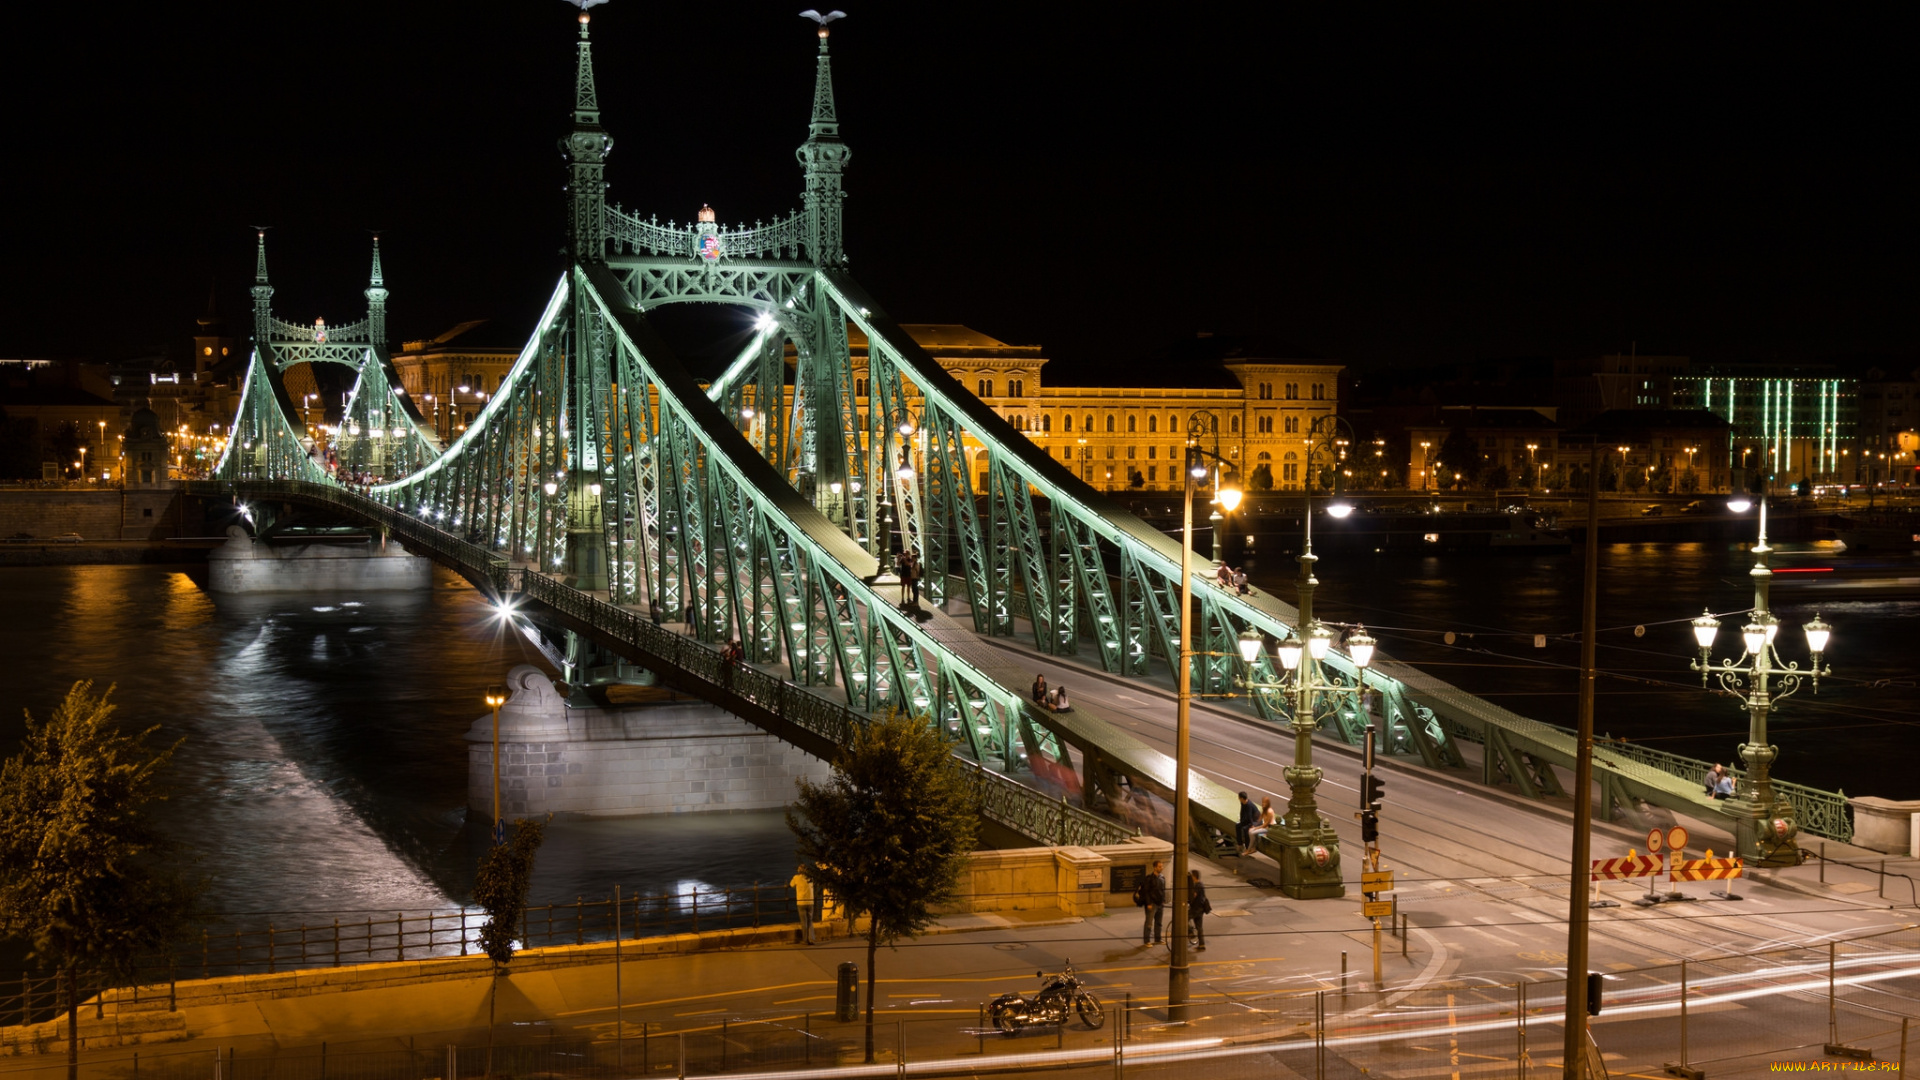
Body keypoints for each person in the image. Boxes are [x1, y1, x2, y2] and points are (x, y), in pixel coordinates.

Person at [1138, 860, 1167, 946]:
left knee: (1159, 922)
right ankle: (1147, 940)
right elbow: (1146, 892)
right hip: (1152, 903)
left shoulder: (1162, 878)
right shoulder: (1149, 878)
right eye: (1159, 866)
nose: (1161, 868)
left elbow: (1163, 890)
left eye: (1162, 866)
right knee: (1149, 922)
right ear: (1155, 867)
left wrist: (1163, 900)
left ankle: (1157, 939)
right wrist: (1149, 903)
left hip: (1160, 903)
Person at [790, 865, 817, 945]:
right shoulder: (811, 878)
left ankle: (805, 940)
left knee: (803, 922)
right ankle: (811, 939)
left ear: (799, 871)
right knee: (810, 921)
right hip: (810, 902)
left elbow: (791, 885)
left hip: (801, 902)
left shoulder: (796, 878)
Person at [1187, 869, 1211, 951]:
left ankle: (1190, 932)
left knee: (1183, 919)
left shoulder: (1197, 885)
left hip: (1195, 908)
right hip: (1200, 909)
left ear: (1194, 877)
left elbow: (1194, 895)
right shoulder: (1201, 884)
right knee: (1199, 927)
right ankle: (1202, 944)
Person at [1235, 791, 1258, 855]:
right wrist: (1241, 821)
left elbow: (1250, 816)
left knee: (1246, 829)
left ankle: (1248, 848)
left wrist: (1252, 825)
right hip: (1249, 820)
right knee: (1238, 826)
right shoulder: (1243, 803)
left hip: (1255, 821)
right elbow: (1242, 812)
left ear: (1242, 798)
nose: (1238, 799)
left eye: (1239, 798)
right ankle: (1240, 844)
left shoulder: (1249, 805)